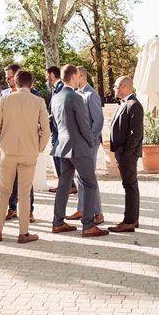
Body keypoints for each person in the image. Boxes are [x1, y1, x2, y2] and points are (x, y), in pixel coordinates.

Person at [0, 70, 50, 243]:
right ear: (31, 84)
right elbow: (46, 130)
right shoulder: (39, 101)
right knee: (24, 194)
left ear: (15, 83)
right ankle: (23, 233)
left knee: (3, 192)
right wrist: (38, 147)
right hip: (29, 152)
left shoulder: (5, 99)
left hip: (7, 152)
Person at [50, 65, 108, 238]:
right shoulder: (75, 97)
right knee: (90, 183)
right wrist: (90, 142)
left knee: (64, 184)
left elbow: (55, 123)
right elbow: (83, 123)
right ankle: (88, 225)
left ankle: (57, 222)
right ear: (74, 76)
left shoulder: (56, 97)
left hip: (62, 146)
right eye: (77, 77)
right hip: (78, 146)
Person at [1, 63, 40, 222]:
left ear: (17, 76)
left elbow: (41, 122)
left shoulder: (35, 94)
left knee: (26, 181)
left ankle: (29, 211)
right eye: (6, 77)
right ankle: (12, 209)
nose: (7, 80)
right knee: (9, 180)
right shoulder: (4, 95)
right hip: (9, 145)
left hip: (27, 145)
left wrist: (38, 145)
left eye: (9, 77)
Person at [66, 66, 104, 224]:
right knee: (80, 177)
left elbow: (98, 121)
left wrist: (90, 141)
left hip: (90, 144)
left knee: (89, 178)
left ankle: (99, 213)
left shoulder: (91, 95)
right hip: (79, 143)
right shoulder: (75, 94)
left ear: (80, 76)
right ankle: (81, 209)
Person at [108, 76, 144, 233]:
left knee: (129, 186)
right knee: (130, 185)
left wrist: (125, 152)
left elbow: (136, 133)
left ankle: (129, 221)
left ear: (123, 86)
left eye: (115, 86)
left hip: (127, 154)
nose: (113, 89)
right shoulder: (125, 103)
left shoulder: (134, 105)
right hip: (123, 152)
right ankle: (132, 218)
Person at [46, 65, 76, 194]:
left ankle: (68, 185)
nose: (46, 78)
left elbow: (61, 108)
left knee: (59, 158)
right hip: (56, 130)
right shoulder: (56, 88)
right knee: (57, 157)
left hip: (60, 131)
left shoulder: (61, 88)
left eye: (47, 75)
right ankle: (68, 184)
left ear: (52, 74)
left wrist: (50, 117)